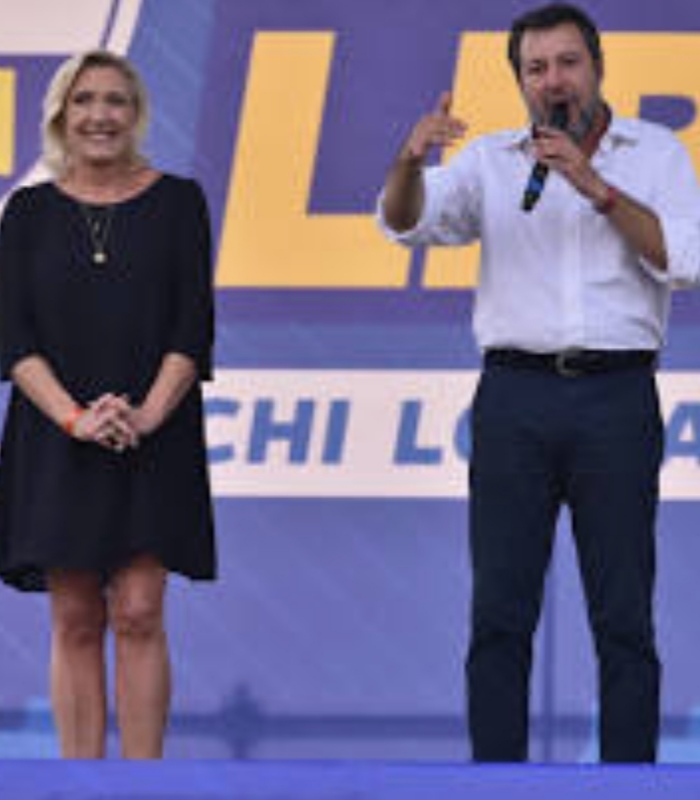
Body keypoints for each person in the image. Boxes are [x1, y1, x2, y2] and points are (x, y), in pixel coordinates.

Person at [378, 3, 700, 762]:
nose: (553, 80)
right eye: (536, 68)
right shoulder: (493, 160)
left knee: (623, 616)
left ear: (598, 67)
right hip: (515, 398)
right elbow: (407, 223)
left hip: (616, 397)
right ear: (521, 82)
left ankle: (628, 782)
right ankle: (498, 780)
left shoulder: (655, 153)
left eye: (567, 63)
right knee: (500, 612)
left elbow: (685, 261)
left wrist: (596, 186)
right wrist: (407, 162)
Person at [0, 50, 216, 758]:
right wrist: (75, 417)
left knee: (140, 612)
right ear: (61, 115)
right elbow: (12, 336)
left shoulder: (179, 202)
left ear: (137, 114)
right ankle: (80, 785)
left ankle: (143, 785)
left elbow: (192, 326)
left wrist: (146, 416)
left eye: (116, 100)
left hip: (154, 429)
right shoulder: (28, 212)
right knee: (74, 618)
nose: (100, 115)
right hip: (56, 433)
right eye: (84, 100)